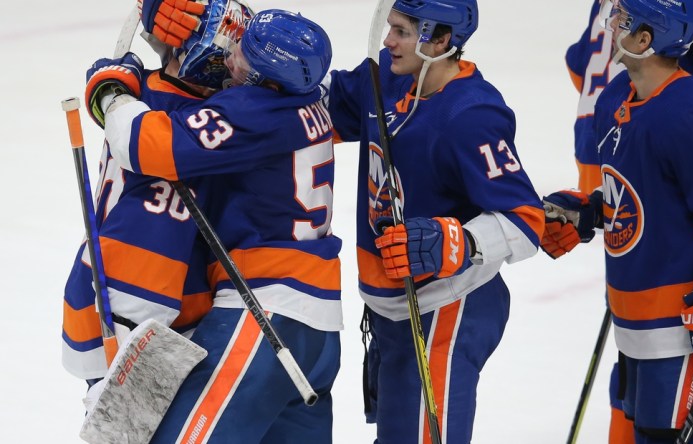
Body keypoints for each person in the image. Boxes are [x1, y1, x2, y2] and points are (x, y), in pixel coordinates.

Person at [96, 8, 342, 443]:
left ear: (263, 80)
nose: (230, 54)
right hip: (320, 329)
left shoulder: (252, 109)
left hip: (263, 315)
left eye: (244, 54)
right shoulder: (308, 100)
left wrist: (112, 93)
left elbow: (145, 145)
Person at [542, 0, 693, 442]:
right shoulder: (616, 97)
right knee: (637, 425)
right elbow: (639, 186)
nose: (610, 23)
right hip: (635, 310)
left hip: (688, 318)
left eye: (622, 19)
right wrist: (592, 209)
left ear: (646, 39)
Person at [321, 1, 545, 442]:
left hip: (450, 307)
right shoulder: (388, 75)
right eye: (390, 28)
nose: (388, 41)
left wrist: (457, 240)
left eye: (402, 32)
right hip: (393, 306)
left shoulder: (470, 115)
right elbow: (316, 99)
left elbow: (526, 222)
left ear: (441, 41)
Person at [63, 0, 252, 384]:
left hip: (106, 288)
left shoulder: (136, 93)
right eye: (232, 50)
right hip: (140, 309)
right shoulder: (194, 119)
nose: (240, 65)